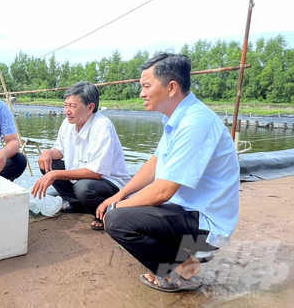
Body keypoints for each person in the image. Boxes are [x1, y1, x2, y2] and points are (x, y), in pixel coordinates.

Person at [96, 53, 240, 292]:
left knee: (118, 221)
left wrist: (118, 208)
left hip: (205, 223)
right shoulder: (178, 118)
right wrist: (119, 195)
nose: (141, 93)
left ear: (171, 87)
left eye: (146, 86)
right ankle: (185, 261)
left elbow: (162, 191)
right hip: (187, 209)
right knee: (123, 208)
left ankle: (179, 271)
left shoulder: (195, 123)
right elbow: (155, 163)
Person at [31, 82, 130, 230]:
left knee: (83, 188)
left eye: (73, 106)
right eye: (65, 106)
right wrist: (47, 153)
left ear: (90, 108)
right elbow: (59, 150)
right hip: (81, 177)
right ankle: (77, 204)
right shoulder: (68, 123)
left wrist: (55, 174)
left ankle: (104, 214)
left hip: (108, 182)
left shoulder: (102, 126)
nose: (67, 111)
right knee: (48, 164)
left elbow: (96, 173)